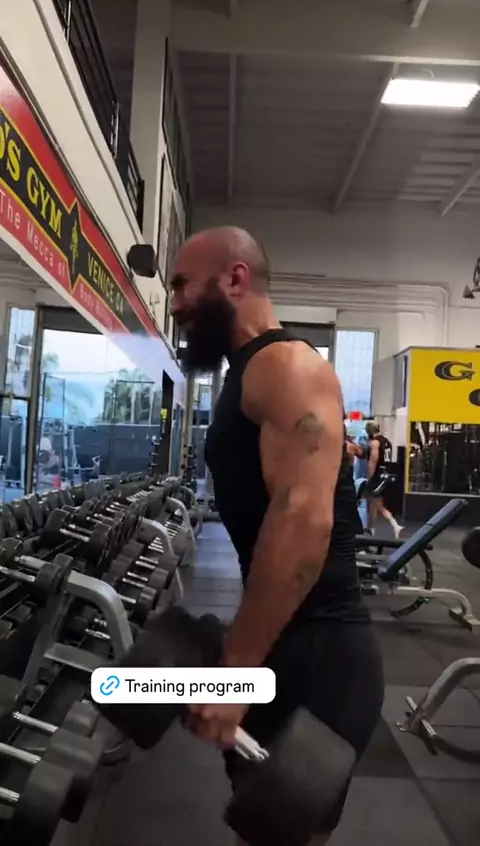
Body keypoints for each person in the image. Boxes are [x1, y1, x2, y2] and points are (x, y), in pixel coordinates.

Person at [170, 226, 384, 844]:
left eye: (183, 286)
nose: (175, 304)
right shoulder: (249, 373)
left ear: (235, 279)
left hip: (320, 656)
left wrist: (234, 675)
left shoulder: (284, 366)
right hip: (287, 646)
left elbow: (303, 523)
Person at [363, 421, 403, 539]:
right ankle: (371, 529)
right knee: (374, 503)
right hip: (385, 474)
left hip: (377, 476)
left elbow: (373, 461)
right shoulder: (387, 442)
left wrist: (369, 477)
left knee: (375, 502)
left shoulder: (375, 443)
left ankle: (394, 525)